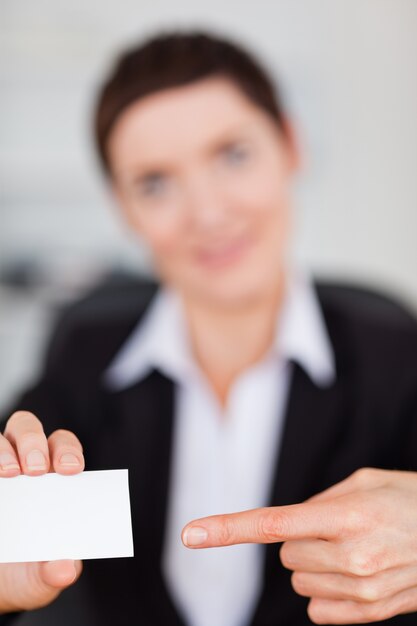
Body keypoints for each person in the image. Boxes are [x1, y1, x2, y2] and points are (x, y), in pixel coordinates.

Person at [0, 30, 417, 626]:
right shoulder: (82, 351)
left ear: (291, 148)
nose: (208, 212)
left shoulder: (395, 351)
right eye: (155, 183)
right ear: (123, 207)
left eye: (233, 155)